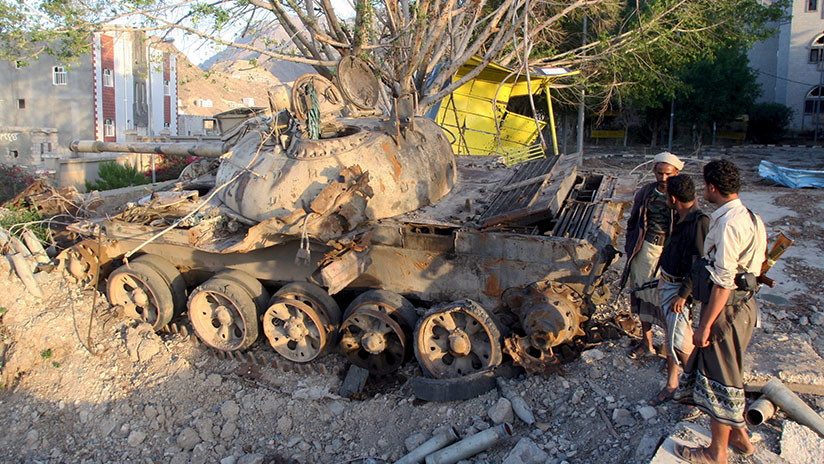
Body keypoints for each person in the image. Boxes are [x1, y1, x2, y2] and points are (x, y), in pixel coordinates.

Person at [674, 160, 767, 464]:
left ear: (712, 188)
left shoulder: (728, 224)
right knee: (729, 373)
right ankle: (739, 437)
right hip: (744, 308)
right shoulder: (751, 217)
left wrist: (705, 326)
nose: (704, 191)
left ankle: (716, 453)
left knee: (719, 381)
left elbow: (723, 284)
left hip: (725, 311)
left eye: (705, 186)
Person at [649, 174, 709, 407]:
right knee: (671, 336)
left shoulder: (698, 222)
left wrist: (683, 294)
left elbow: (700, 263)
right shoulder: (681, 216)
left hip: (678, 290)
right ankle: (672, 384)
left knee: (680, 342)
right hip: (668, 282)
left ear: (673, 198)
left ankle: (699, 391)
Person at [620, 152, 682, 359]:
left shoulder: (682, 196)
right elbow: (633, 221)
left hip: (670, 252)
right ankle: (646, 341)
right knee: (641, 293)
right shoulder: (646, 192)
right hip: (645, 248)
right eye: (659, 173)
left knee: (668, 298)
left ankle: (670, 346)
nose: (663, 178)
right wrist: (632, 244)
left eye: (668, 174)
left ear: (677, 173)